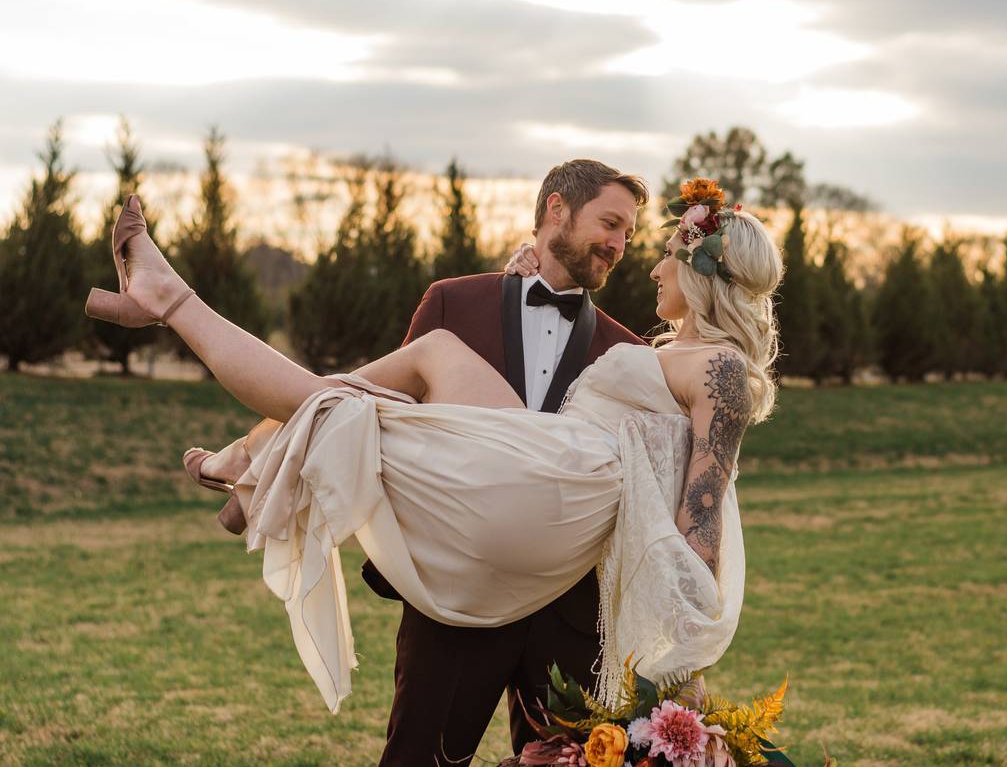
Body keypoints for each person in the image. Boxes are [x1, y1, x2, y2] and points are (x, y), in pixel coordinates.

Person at [84, 176, 782, 764]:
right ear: (555, 213)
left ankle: (195, 341)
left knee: (398, 375)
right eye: (616, 227)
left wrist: (683, 679)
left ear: (703, 272)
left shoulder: (695, 361)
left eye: (660, 250)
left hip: (557, 516)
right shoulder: (650, 345)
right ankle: (244, 424)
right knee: (369, 400)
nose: (645, 261)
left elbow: (700, 522)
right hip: (529, 493)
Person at [193, 159, 652, 764]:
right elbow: (381, 422)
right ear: (556, 210)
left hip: (567, 613)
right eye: (611, 223)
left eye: (628, 234)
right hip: (450, 600)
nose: (619, 245)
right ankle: (252, 468)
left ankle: (244, 467)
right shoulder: (452, 305)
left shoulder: (628, 353)